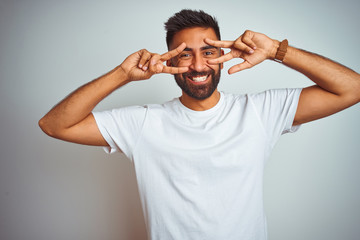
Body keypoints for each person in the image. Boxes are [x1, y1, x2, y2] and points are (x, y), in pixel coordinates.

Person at [39, 9, 360, 240]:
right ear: (168, 60)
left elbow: (352, 88)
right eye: (184, 55)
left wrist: (277, 50)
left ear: (224, 53)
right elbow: (55, 125)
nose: (197, 65)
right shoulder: (143, 122)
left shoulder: (260, 111)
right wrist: (123, 74)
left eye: (208, 52)